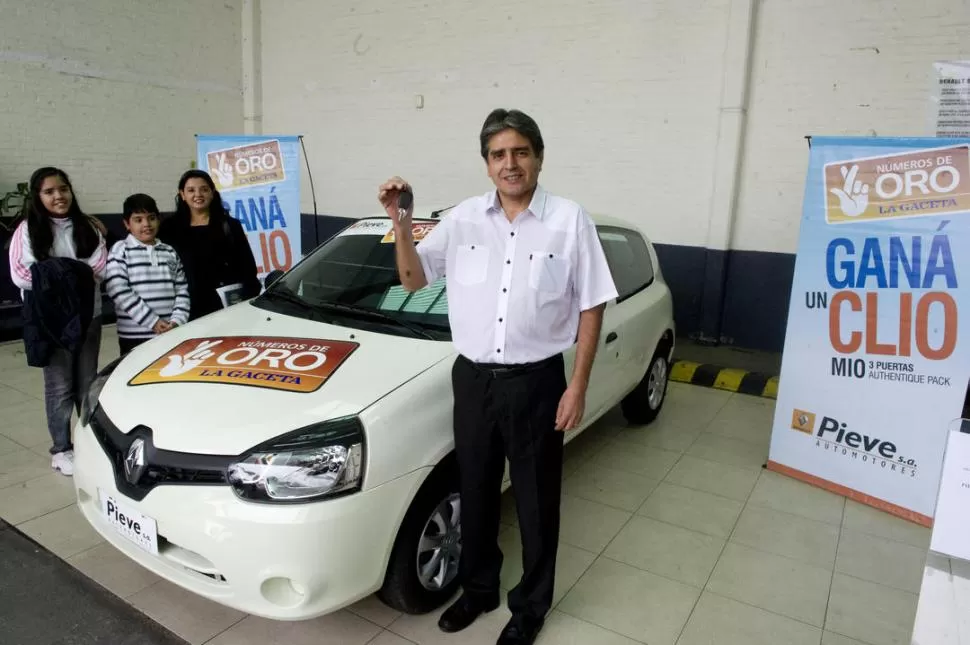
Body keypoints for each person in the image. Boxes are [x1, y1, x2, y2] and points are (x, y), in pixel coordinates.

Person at [378, 108, 618, 645]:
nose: (510, 164)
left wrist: (577, 385)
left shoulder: (569, 220)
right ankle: (479, 589)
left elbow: (592, 304)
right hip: (473, 381)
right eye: (498, 155)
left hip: (537, 382)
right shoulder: (463, 218)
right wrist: (401, 222)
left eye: (520, 152)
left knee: (536, 501)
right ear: (486, 164)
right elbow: (413, 279)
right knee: (477, 490)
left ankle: (530, 607)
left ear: (539, 158)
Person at [7, 167, 108, 476]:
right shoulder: (27, 230)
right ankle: (61, 449)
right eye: (49, 191)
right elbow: (22, 275)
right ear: (38, 196)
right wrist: (73, 274)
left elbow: (99, 268)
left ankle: (89, 443)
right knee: (59, 386)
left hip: (89, 316)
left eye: (63, 189)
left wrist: (55, 272)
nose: (58, 196)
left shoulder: (88, 226)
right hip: (51, 322)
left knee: (87, 383)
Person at [157, 169, 260, 321]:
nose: (198, 194)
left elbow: (248, 268)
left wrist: (245, 300)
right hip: (185, 308)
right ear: (182, 194)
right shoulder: (169, 228)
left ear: (212, 192)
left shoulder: (230, 225)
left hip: (225, 306)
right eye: (191, 190)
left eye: (204, 189)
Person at [105, 193, 190, 355]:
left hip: (171, 332)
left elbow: (182, 290)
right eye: (138, 220)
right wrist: (153, 321)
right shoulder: (120, 250)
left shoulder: (169, 251)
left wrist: (177, 321)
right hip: (134, 336)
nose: (146, 224)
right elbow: (118, 289)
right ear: (127, 224)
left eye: (151, 218)